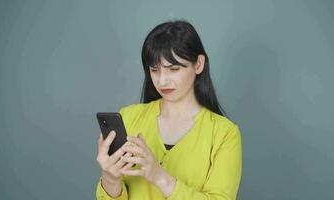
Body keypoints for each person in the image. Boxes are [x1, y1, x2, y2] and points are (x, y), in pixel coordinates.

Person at [96, 20, 242, 200]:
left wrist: (159, 176)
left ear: (198, 64)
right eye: (154, 70)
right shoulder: (129, 117)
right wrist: (110, 178)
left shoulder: (225, 134)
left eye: (173, 69)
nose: (162, 81)